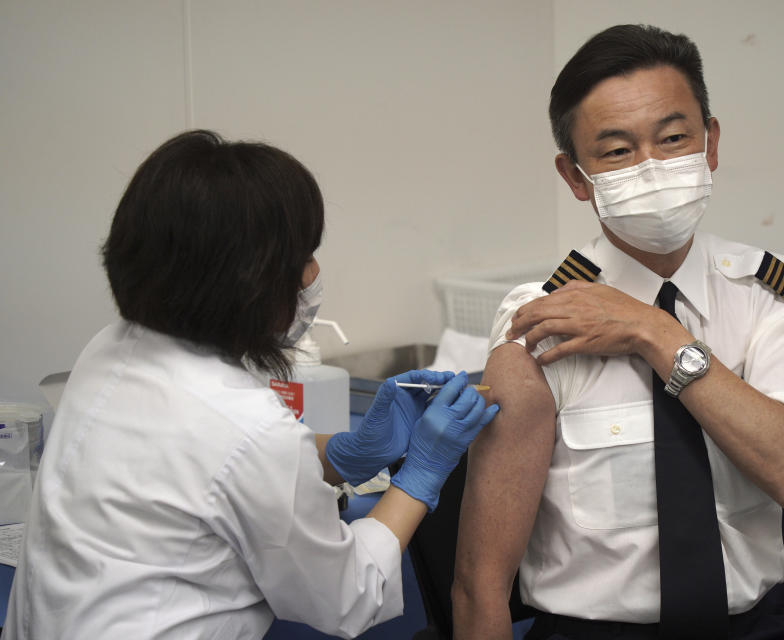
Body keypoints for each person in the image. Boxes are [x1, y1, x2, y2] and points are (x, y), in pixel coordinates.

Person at [2, 130, 498, 639]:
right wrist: (420, 473)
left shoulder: (109, 350)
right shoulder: (247, 427)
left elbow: (213, 476)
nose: (314, 272)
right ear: (252, 282)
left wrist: (346, 454)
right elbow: (349, 594)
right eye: (304, 255)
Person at [452, 24, 784, 640]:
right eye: (616, 151)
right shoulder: (540, 322)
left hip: (761, 626)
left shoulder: (774, 294)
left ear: (710, 142)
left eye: (673, 138)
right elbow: (481, 583)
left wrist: (653, 332)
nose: (653, 167)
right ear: (577, 177)